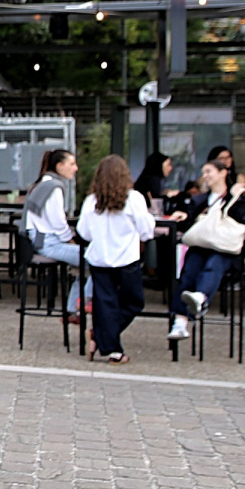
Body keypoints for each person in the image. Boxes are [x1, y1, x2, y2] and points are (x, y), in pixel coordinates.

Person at [165, 158, 245, 341]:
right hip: (202, 244)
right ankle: (181, 322)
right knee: (189, 272)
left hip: (224, 246)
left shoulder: (238, 198)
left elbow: (243, 220)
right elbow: (192, 225)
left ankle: (201, 297)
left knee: (214, 263)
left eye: (209, 171)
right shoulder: (200, 199)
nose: (205, 176)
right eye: (203, 172)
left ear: (223, 173)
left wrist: (231, 198)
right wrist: (184, 216)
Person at [77, 155, 156, 364]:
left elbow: (84, 232)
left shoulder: (91, 201)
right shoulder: (134, 199)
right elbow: (146, 231)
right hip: (126, 259)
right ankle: (106, 342)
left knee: (105, 304)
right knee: (134, 302)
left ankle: (107, 343)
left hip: (99, 259)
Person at [20, 149, 84, 316]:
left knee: (90, 260)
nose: (76, 168)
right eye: (72, 164)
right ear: (60, 166)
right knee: (95, 259)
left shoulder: (43, 183)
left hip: (38, 240)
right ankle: (77, 307)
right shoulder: (53, 187)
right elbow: (58, 222)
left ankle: (76, 307)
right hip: (48, 243)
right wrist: (70, 240)